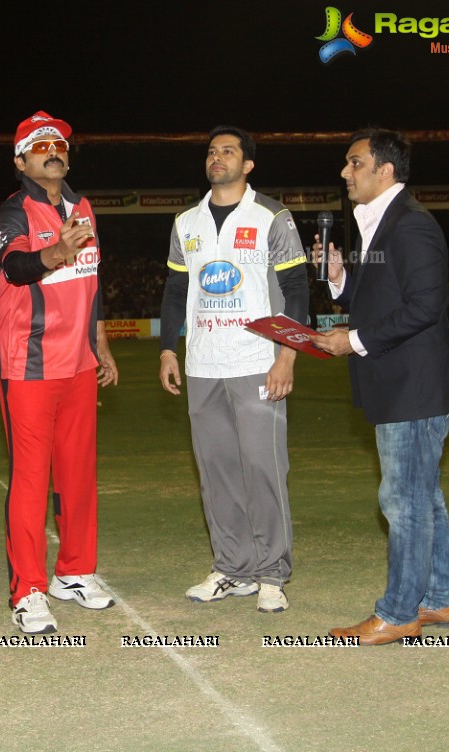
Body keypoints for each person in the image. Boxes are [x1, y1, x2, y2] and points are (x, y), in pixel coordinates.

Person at [311, 128, 449, 645]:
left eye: (354, 163)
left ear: (385, 171)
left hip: (413, 387)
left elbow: (425, 307)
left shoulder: (412, 226)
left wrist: (351, 340)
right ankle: (440, 601)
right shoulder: (382, 225)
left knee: (404, 500)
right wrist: (338, 278)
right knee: (425, 496)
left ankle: (400, 612)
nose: (344, 172)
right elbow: (379, 294)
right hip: (404, 383)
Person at [159, 126, 308, 613]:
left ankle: (271, 573)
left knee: (263, 469)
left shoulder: (272, 216)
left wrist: (287, 353)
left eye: (228, 151)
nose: (217, 157)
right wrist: (167, 349)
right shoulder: (187, 222)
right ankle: (232, 567)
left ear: (248, 165)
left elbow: (298, 290)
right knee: (216, 471)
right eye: (211, 151)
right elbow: (176, 293)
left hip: (258, 361)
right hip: (203, 364)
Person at [0, 111, 119, 635]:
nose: (53, 150)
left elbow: (92, 279)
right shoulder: (11, 213)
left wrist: (102, 344)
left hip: (79, 363)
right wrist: (58, 250)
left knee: (78, 474)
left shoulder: (83, 206)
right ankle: (28, 590)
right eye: (41, 145)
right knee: (30, 478)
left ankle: (75, 571)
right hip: (29, 365)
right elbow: (17, 270)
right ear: (21, 160)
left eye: (60, 143)